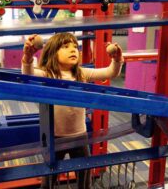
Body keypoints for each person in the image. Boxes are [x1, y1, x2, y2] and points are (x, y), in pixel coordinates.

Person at [21, 32, 123, 189]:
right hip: (55, 137)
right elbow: (28, 75)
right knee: (49, 178)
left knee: (84, 176)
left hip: (79, 136)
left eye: (75, 47)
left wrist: (116, 60)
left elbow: (110, 72)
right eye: (66, 47)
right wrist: (28, 58)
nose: (73, 50)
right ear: (52, 53)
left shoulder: (81, 73)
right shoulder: (47, 74)